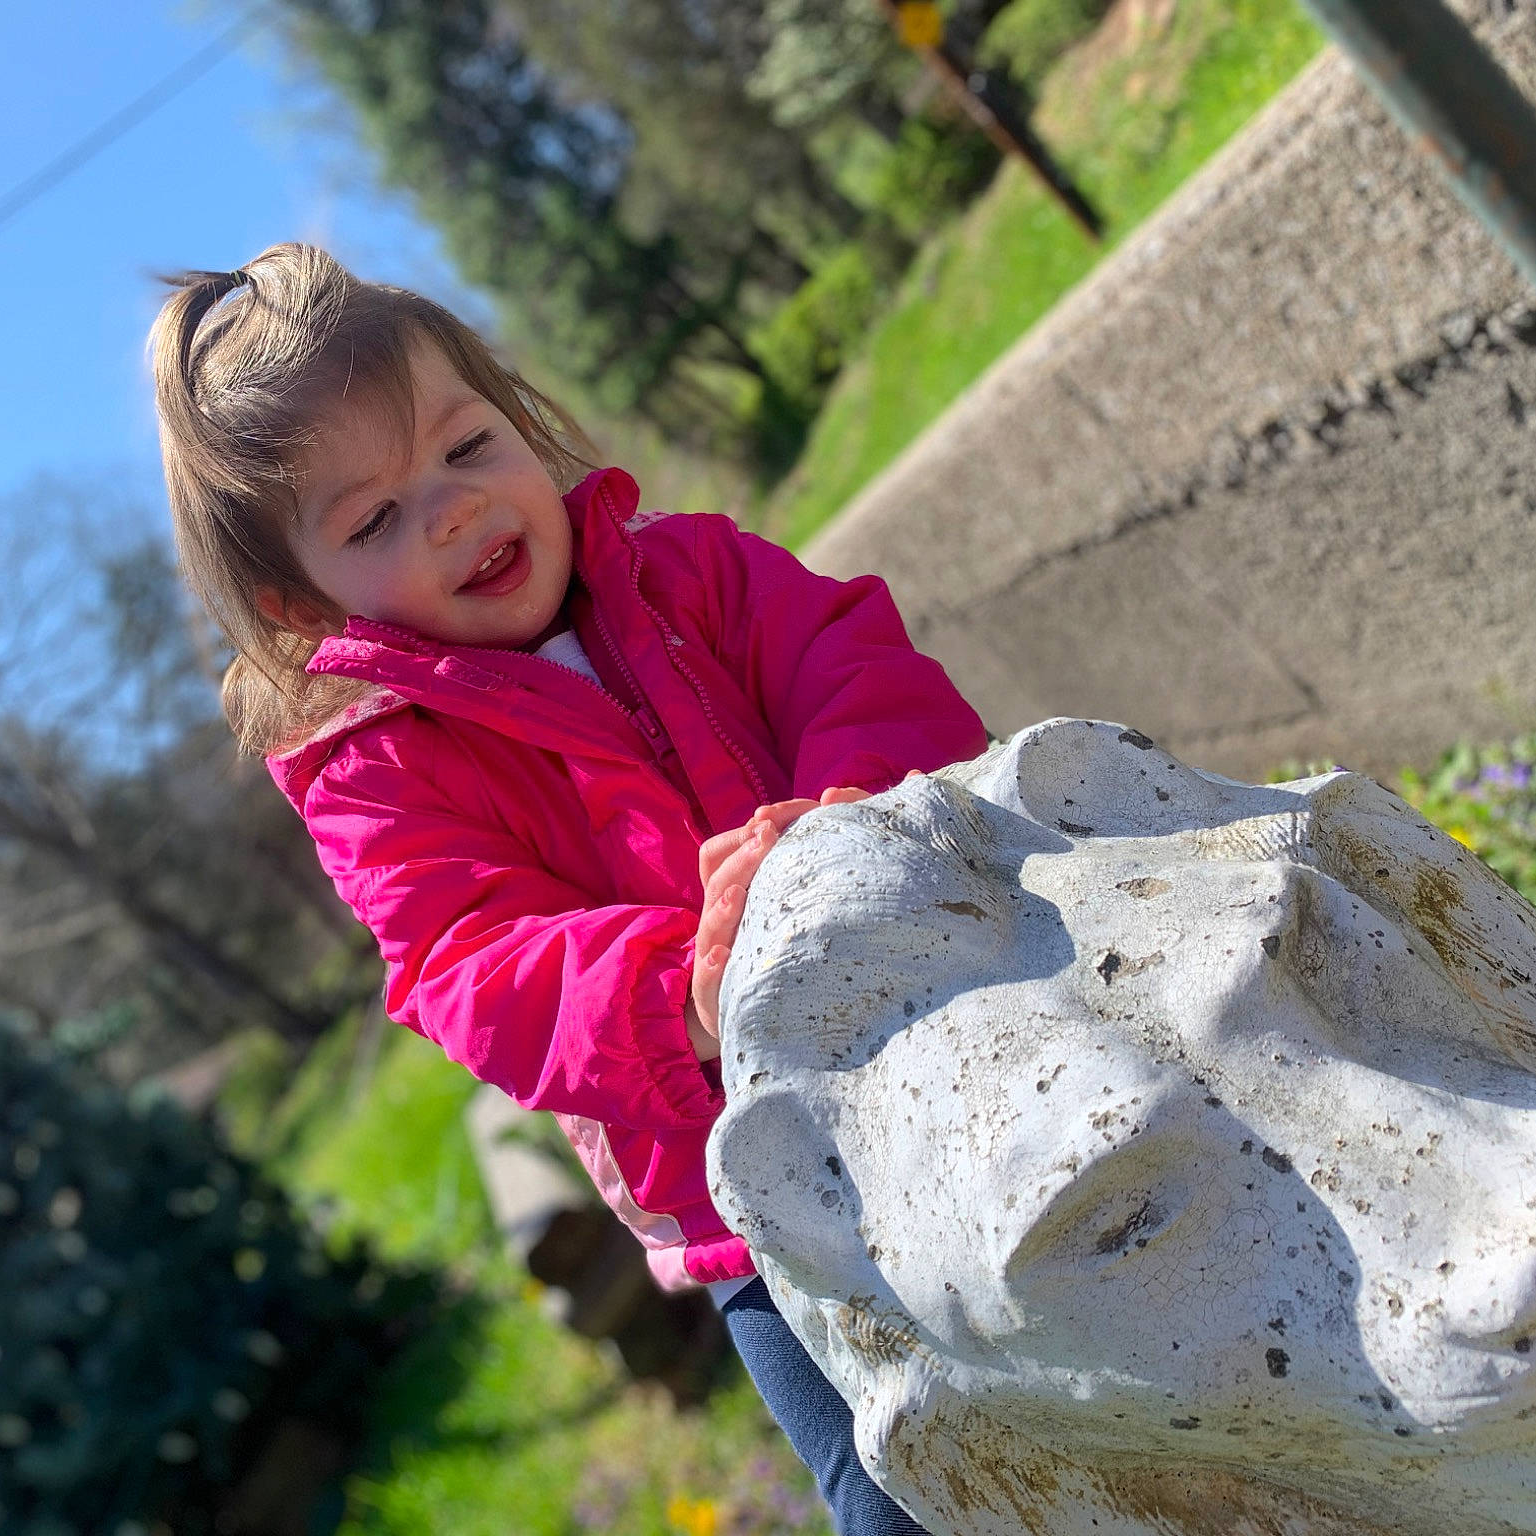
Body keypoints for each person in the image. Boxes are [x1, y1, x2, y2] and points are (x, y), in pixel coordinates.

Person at [149, 243, 986, 1535]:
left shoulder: (688, 571)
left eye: (466, 446)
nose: (450, 511)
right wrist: (687, 987)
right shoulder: (374, 774)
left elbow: (847, 661)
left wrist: (847, 815)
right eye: (372, 521)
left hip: (948, 1013)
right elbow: (470, 966)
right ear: (299, 603)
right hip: (744, 1196)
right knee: (897, 1485)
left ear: (514, 414)